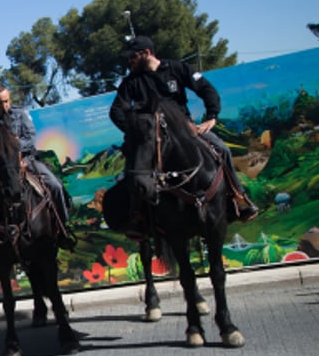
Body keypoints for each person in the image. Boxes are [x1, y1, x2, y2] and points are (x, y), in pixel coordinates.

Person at [109, 35, 259, 233]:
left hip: (185, 130)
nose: (129, 62)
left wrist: (212, 116)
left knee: (221, 148)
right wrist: (138, 132)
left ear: (146, 53)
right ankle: (138, 216)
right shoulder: (130, 83)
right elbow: (116, 111)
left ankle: (238, 198)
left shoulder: (177, 68)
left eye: (132, 57)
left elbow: (207, 89)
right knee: (135, 167)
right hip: (151, 137)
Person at [0, 84, 76, 259]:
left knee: (55, 185)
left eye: (6, 101)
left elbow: (31, 137)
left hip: (27, 161)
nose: (4, 106)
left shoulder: (21, 114)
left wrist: (15, 150)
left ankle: (63, 229)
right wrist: (3, 155)